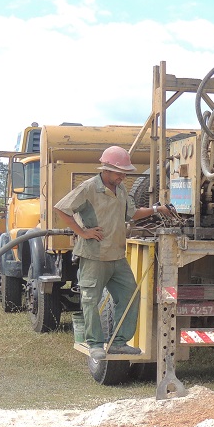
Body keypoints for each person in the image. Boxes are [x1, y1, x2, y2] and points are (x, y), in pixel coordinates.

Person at [54, 145, 172, 361]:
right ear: (106, 169)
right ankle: (96, 344)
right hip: (94, 256)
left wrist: (156, 210)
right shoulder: (89, 187)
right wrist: (83, 232)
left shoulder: (122, 189)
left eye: (124, 173)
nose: (122, 177)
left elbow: (133, 213)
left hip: (117, 256)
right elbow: (61, 208)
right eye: (119, 173)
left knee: (129, 295)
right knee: (91, 300)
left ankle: (119, 342)